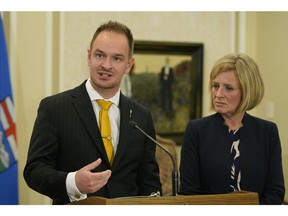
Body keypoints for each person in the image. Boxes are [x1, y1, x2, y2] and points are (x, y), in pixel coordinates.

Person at [23, 21, 162, 204]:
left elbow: (149, 183)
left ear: (129, 65)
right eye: (100, 55)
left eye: (117, 58)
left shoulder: (141, 116)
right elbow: (34, 170)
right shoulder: (55, 108)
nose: (106, 65)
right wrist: (73, 183)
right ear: (89, 57)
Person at [179, 53, 285, 204]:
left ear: (247, 92)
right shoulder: (196, 130)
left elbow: (275, 191)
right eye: (216, 86)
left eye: (228, 88)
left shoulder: (268, 132)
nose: (218, 94)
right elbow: (189, 193)